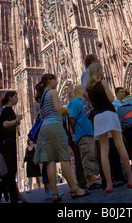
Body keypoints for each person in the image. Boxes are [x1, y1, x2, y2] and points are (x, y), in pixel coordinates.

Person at [33, 73, 90, 202]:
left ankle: (55, 194)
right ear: (49, 81)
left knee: (50, 161)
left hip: (45, 129)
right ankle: (75, 189)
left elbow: (42, 115)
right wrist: (67, 111)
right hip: (55, 127)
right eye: (55, 80)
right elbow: (58, 108)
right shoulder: (52, 92)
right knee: (64, 158)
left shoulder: (41, 98)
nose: (56, 83)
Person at [86, 63, 132, 193]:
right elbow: (111, 98)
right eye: (101, 69)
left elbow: (90, 102)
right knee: (120, 145)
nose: (103, 71)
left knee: (103, 150)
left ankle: (108, 184)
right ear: (97, 71)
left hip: (98, 117)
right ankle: (130, 179)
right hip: (109, 113)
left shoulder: (87, 88)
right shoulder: (103, 82)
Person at [82, 54, 127, 188]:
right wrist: (96, 102)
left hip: (96, 112)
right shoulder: (90, 74)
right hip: (100, 111)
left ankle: (109, 180)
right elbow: (109, 98)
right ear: (92, 62)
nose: (100, 62)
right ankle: (117, 176)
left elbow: (84, 92)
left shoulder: (88, 76)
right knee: (112, 145)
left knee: (104, 146)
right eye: (98, 60)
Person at [68, 85, 101, 190]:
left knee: (92, 155)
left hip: (90, 132)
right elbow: (71, 119)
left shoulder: (82, 102)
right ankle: (90, 182)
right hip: (83, 133)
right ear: (79, 91)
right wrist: (75, 131)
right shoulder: (74, 102)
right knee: (87, 156)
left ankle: (92, 178)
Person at [0, 91, 23, 203]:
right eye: (15, 96)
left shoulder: (6, 110)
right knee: (10, 172)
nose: (17, 98)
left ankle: (13, 198)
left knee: (10, 172)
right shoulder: (7, 110)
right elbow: (5, 124)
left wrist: (15, 123)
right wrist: (16, 120)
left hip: (6, 143)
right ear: (10, 98)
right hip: (8, 143)